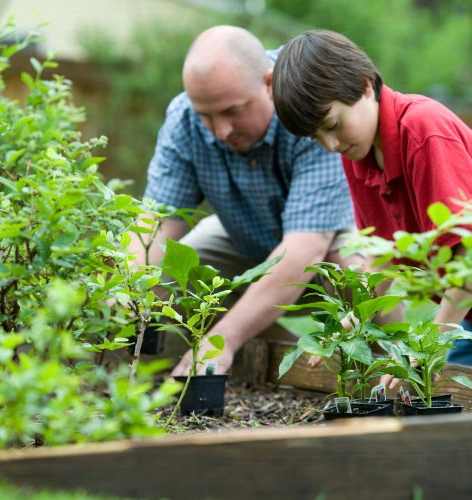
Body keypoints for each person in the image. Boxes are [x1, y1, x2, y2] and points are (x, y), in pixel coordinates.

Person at [131, 26, 357, 376]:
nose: (220, 131)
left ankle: (384, 366)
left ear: (269, 83)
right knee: (178, 270)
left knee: (355, 270)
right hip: (244, 240)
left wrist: (222, 339)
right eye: (207, 115)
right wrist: (128, 288)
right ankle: (286, 363)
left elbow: (305, 248)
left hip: (327, 241)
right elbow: (154, 226)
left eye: (232, 111)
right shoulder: (185, 119)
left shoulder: (307, 101)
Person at [271, 29, 472, 373]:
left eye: (333, 125)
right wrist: (349, 323)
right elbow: (383, 254)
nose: (330, 145)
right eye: (316, 137)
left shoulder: (423, 129)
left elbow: (467, 257)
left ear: (365, 85)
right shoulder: (357, 156)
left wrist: (427, 347)